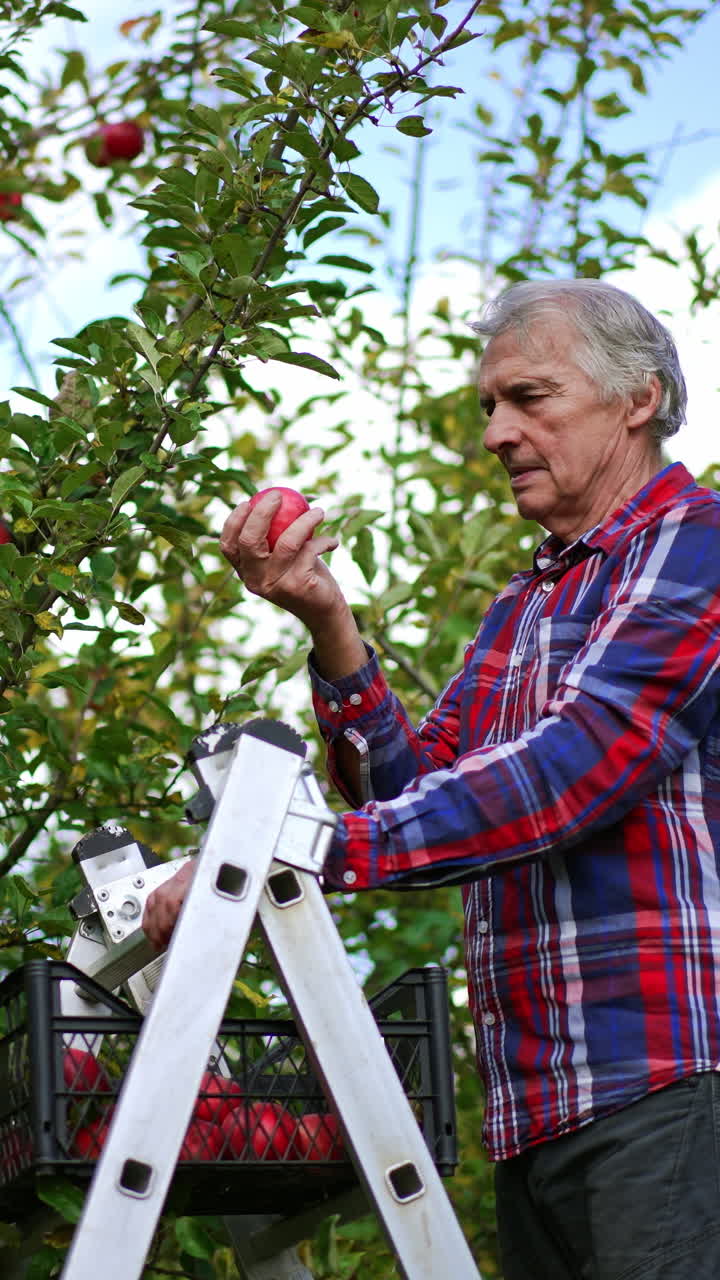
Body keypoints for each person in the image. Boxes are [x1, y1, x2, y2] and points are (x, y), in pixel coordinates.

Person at [143, 279, 720, 1280]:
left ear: (638, 398)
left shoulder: (698, 545)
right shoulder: (523, 605)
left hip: (667, 1082)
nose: (497, 431)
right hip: (536, 1105)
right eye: (490, 404)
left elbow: (574, 769)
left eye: (529, 396)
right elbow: (412, 785)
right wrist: (330, 622)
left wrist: (295, 851)